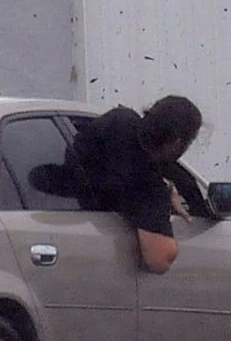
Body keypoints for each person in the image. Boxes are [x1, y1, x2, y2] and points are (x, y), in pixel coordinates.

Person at [58, 94, 216, 272]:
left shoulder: (117, 120)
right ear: (177, 143)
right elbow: (159, 260)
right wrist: (164, 200)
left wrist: (169, 186)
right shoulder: (147, 187)